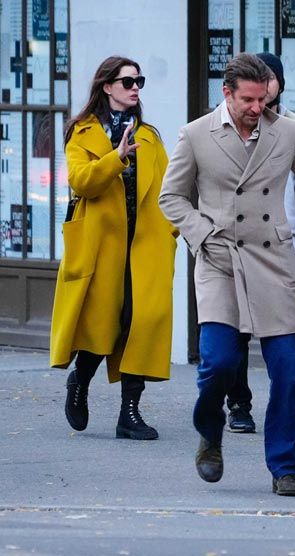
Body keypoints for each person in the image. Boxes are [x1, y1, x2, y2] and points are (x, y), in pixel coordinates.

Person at [158, 52, 295, 496]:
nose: (256, 108)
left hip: (273, 260)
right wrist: (203, 236)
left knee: (289, 371)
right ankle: (209, 430)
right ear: (226, 93)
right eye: (248, 99)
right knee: (219, 362)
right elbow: (171, 198)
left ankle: (283, 466)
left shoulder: (285, 131)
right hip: (220, 259)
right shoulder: (195, 135)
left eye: (263, 99)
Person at [50, 56, 177, 440]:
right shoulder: (83, 132)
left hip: (145, 246)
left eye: (140, 80)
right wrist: (116, 157)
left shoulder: (150, 135)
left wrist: (172, 232)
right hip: (101, 246)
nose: (135, 87)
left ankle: (130, 414)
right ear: (107, 86)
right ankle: (80, 381)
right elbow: (81, 182)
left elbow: (169, 188)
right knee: (102, 325)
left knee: (140, 322)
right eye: (127, 81)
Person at [224, 52, 295, 436]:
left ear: (279, 84)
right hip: (238, 244)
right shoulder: (223, 126)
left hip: (288, 240)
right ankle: (238, 403)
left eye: (269, 79)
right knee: (237, 327)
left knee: (294, 325)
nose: (263, 89)